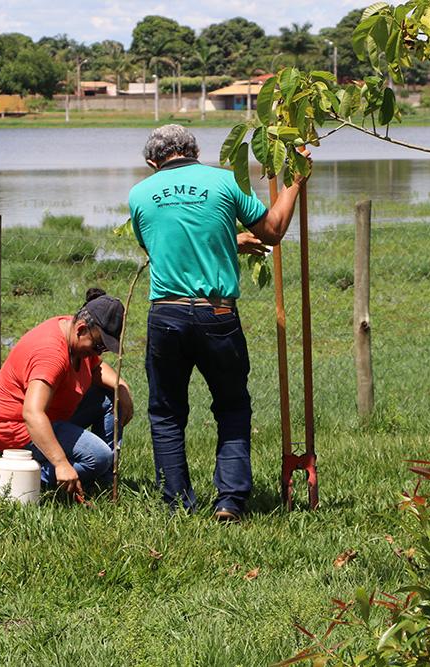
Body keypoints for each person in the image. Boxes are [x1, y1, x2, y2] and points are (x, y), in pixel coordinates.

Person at [128, 124, 310, 521]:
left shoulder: (139, 195)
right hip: (218, 313)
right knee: (231, 406)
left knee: (166, 412)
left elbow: (163, 246)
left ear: (151, 162)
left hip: (167, 314)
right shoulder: (225, 182)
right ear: (195, 150)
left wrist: (232, 239)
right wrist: (295, 181)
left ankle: (177, 505)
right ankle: (230, 500)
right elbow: (273, 230)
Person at [0, 289, 134, 497]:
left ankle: (101, 479)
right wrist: (61, 463)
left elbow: (97, 368)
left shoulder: (74, 334)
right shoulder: (50, 354)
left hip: (52, 418)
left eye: (104, 349)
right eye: (99, 345)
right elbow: (32, 414)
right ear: (81, 329)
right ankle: (22, 479)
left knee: (109, 400)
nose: (98, 353)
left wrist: (121, 387)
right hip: (16, 430)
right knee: (98, 456)